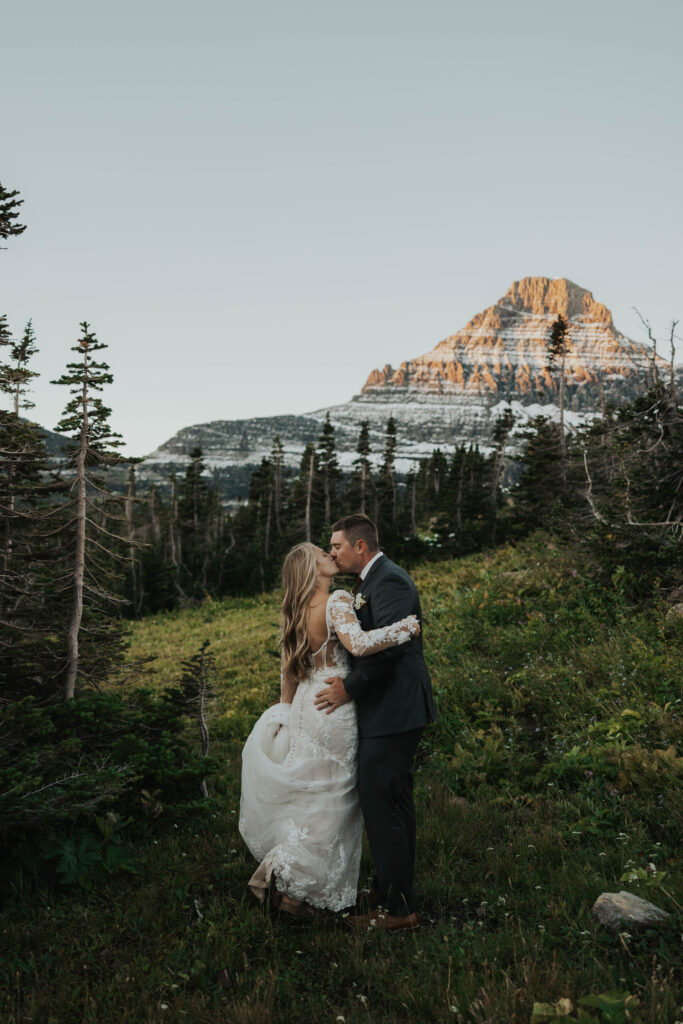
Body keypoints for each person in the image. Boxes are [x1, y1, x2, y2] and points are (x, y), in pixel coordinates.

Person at [238, 541, 421, 917]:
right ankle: (299, 885)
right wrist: (405, 628)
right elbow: (359, 643)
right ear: (313, 569)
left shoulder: (293, 610)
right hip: (335, 705)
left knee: (309, 796)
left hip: (307, 704)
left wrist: (285, 715)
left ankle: (286, 875)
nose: (331, 556)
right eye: (324, 554)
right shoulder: (337, 600)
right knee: (335, 799)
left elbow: (289, 672)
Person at [314, 514, 437, 932]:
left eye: (337, 545)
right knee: (390, 802)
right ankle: (391, 890)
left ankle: (399, 911)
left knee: (384, 803)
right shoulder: (367, 582)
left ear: (360, 546)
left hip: (397, 709)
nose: (332, 552)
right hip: (387, 709)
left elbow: (389, 650)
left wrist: (350, 688)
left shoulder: (391, 581)